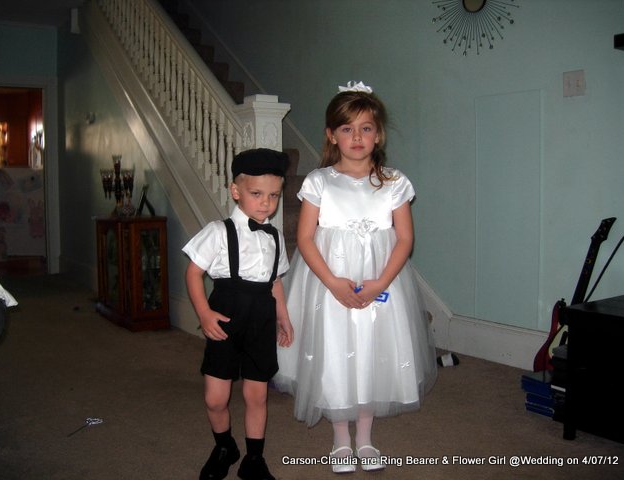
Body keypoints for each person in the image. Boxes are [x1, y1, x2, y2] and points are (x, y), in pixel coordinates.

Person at [272, 81, 437, 473]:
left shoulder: (394, 182)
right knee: (335, 352)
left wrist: (381, 282)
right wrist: (330, 281)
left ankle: (365, 438)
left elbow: (405, 239)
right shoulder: (318, 181)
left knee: (371, 352)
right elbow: (305, 238)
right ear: (332, 135)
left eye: (365, 128)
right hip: (330, 281)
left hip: (380, 283)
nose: (357, 137)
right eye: (346, 129)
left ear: (377, 134)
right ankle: (340, 439)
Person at [183, 148, 294, 480]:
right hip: (225, 319)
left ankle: (253, 460)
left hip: (261, 318)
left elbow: (274, 280)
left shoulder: (275, 236)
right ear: (236, 191)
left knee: (256, 394)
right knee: (216, 398)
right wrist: (204, 313)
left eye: (273, 195)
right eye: (257, 194)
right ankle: (224, 446)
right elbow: (193, 273)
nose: (266, 203)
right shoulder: (218, 231)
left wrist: (283, 316)